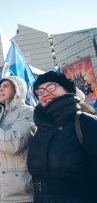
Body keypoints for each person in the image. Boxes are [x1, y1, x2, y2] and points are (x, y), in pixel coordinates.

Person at [27, 71, 97, 202]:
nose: (45, 93)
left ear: (67, 90)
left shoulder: (85, 122)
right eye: (40, 91)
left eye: (51, 87)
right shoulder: (41, 128)